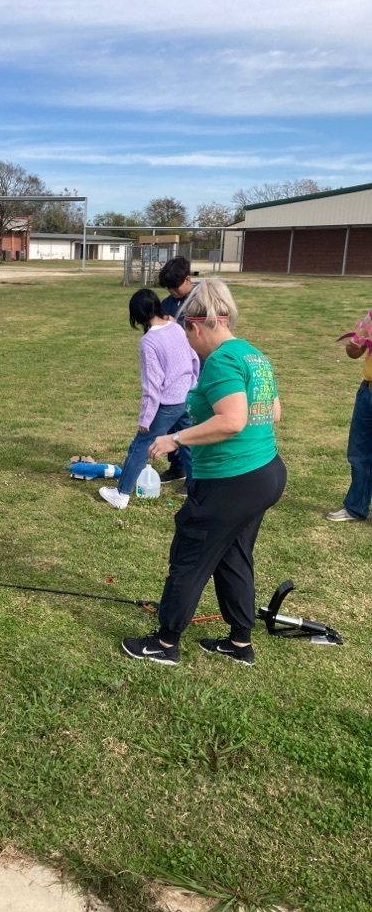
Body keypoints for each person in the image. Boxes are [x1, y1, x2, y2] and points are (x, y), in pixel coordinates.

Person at [122, 278, 286, 667]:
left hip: (232, 481)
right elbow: (274, 412)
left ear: (196, 326)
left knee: (191, 555)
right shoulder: (253, 355)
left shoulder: (222, 361)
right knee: (233, 552)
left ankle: (165, 643)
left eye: (186, 332)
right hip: (266, 473)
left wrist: (176, 439)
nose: (187, 341)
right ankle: (240, 642)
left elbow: (232, 420)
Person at [99, 288, 199, 510]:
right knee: (188, 441)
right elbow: (193, 359)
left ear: (137, 316)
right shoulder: (177, 327)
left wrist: (146, 419)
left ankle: (121, 494)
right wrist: (193, 385)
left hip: (167, 403)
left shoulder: (149, 342)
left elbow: (152, 386)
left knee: (141, 445)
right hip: (187, 397)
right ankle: (197, 489)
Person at [327, 316, 372, 521]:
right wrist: (352, 347)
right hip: (367, 391)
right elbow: (355, 351)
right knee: (359, 452)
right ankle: (356, 507)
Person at [158, 256, 199, 482]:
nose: (172, 291)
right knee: (172, 420)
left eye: (176, 286)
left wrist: (178, 328)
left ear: (188, 279)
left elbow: (206, 331)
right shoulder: (166, 304)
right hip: (173, 373)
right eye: (168, 288)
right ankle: (177, 467)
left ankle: (195, 477)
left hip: (196, 370)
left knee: (190, 423)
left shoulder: (201, 300)